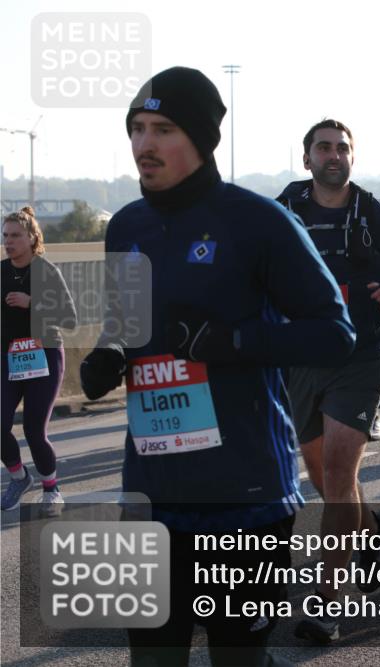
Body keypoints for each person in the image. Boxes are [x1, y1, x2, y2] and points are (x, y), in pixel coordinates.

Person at [78, 66, 356, 666]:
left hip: (244, 495)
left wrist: (231, 342)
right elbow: (126, 322)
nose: (144, 144)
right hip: (151, 491)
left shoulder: (258, 222)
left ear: (202, 141)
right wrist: (109, 354)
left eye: (163, 129)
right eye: (136, 128)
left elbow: (335, 334)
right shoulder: (126, 226)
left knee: (238, 659)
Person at [275, 118, 380, 643]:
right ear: (308, 159)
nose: (333, 155)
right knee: (324, 479)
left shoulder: (374, 212)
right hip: (300, 358)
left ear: (352, 157)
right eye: (324, 148)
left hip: (360, 356)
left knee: (340, 474)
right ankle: (372, 528)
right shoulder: (285, 208)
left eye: (342, 148)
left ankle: (327, 603)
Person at [1, 207, 77, 515]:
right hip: (9, 357)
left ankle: (51, 489)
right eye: (5, 236)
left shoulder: (46, 271)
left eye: (15, 236)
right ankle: (19, 477)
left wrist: (32, 303)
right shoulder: (1, 272)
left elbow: (70, 318)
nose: (8, 242)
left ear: (32, 238)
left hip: (44, 355)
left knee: (34, 429)